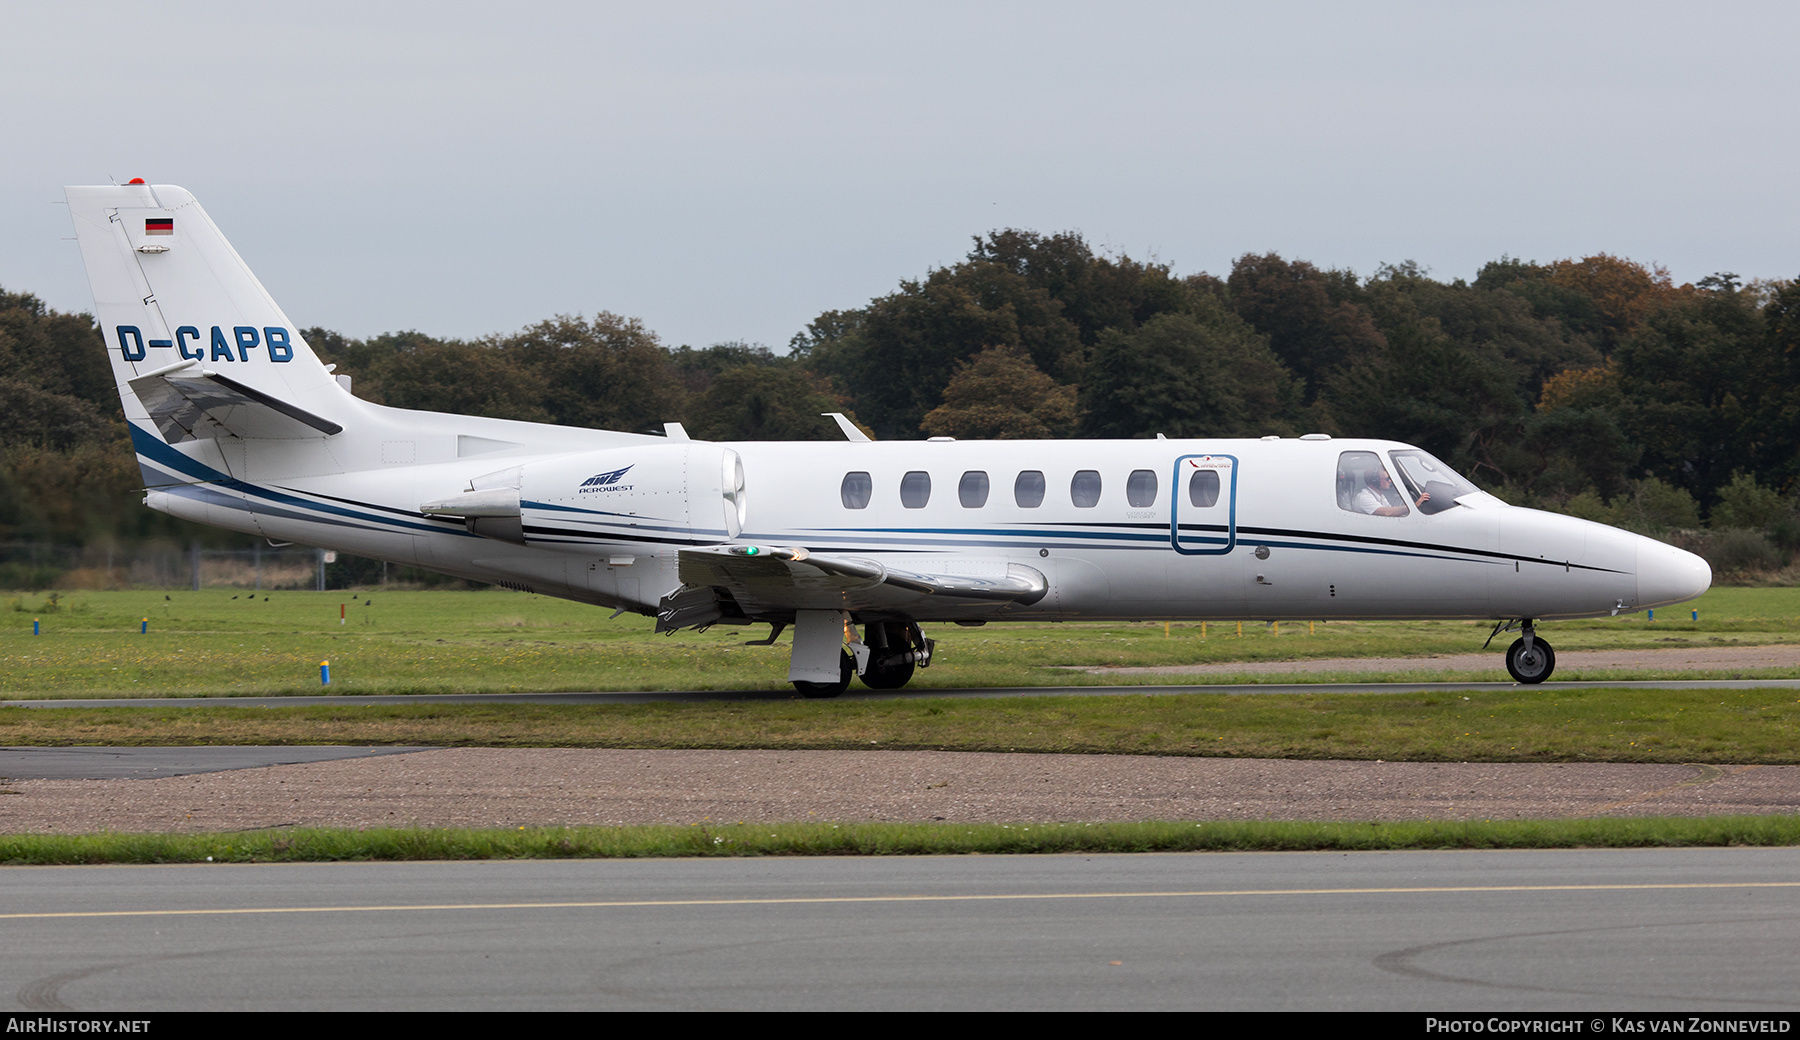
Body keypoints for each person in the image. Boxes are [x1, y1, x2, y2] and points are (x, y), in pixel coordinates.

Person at [1352, 467, 1428, 516]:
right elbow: (1386, 512)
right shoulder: (1364, 497)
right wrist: (1413, 506)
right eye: (1387, 478)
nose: (1390, 481)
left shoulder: (1380, 496)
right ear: (1375, 481)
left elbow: (1392, 511)